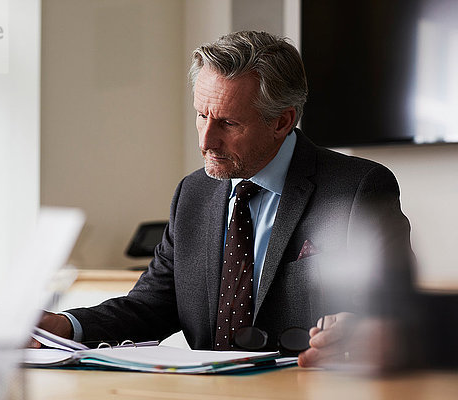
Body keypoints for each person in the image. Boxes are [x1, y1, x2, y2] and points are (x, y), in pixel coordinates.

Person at [34, 31, 413, 368]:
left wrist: (368, 330)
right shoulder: (192, 194)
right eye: (202, 115)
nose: (205, 141)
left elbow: (399, 313)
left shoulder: (358, 188)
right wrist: (65, 325)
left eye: (228, 123)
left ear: (282, 121)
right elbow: (151, 305)